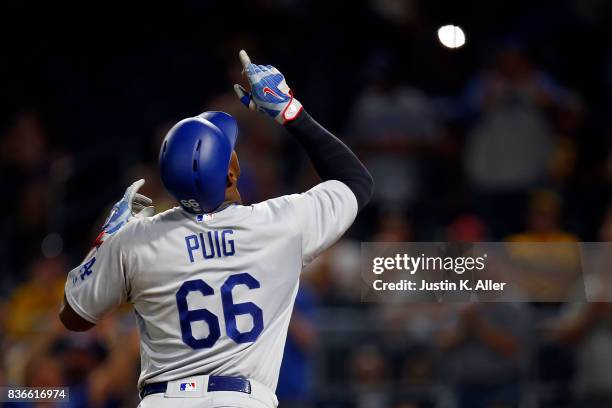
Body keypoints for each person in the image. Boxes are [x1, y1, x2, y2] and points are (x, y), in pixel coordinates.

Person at [58, 50, 373, 408]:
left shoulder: (136, 239)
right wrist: (290, 111)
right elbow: (356, 180)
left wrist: (103, 242)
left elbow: (74, 316)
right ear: (230, 173)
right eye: (230, 150)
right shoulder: (280, 224)